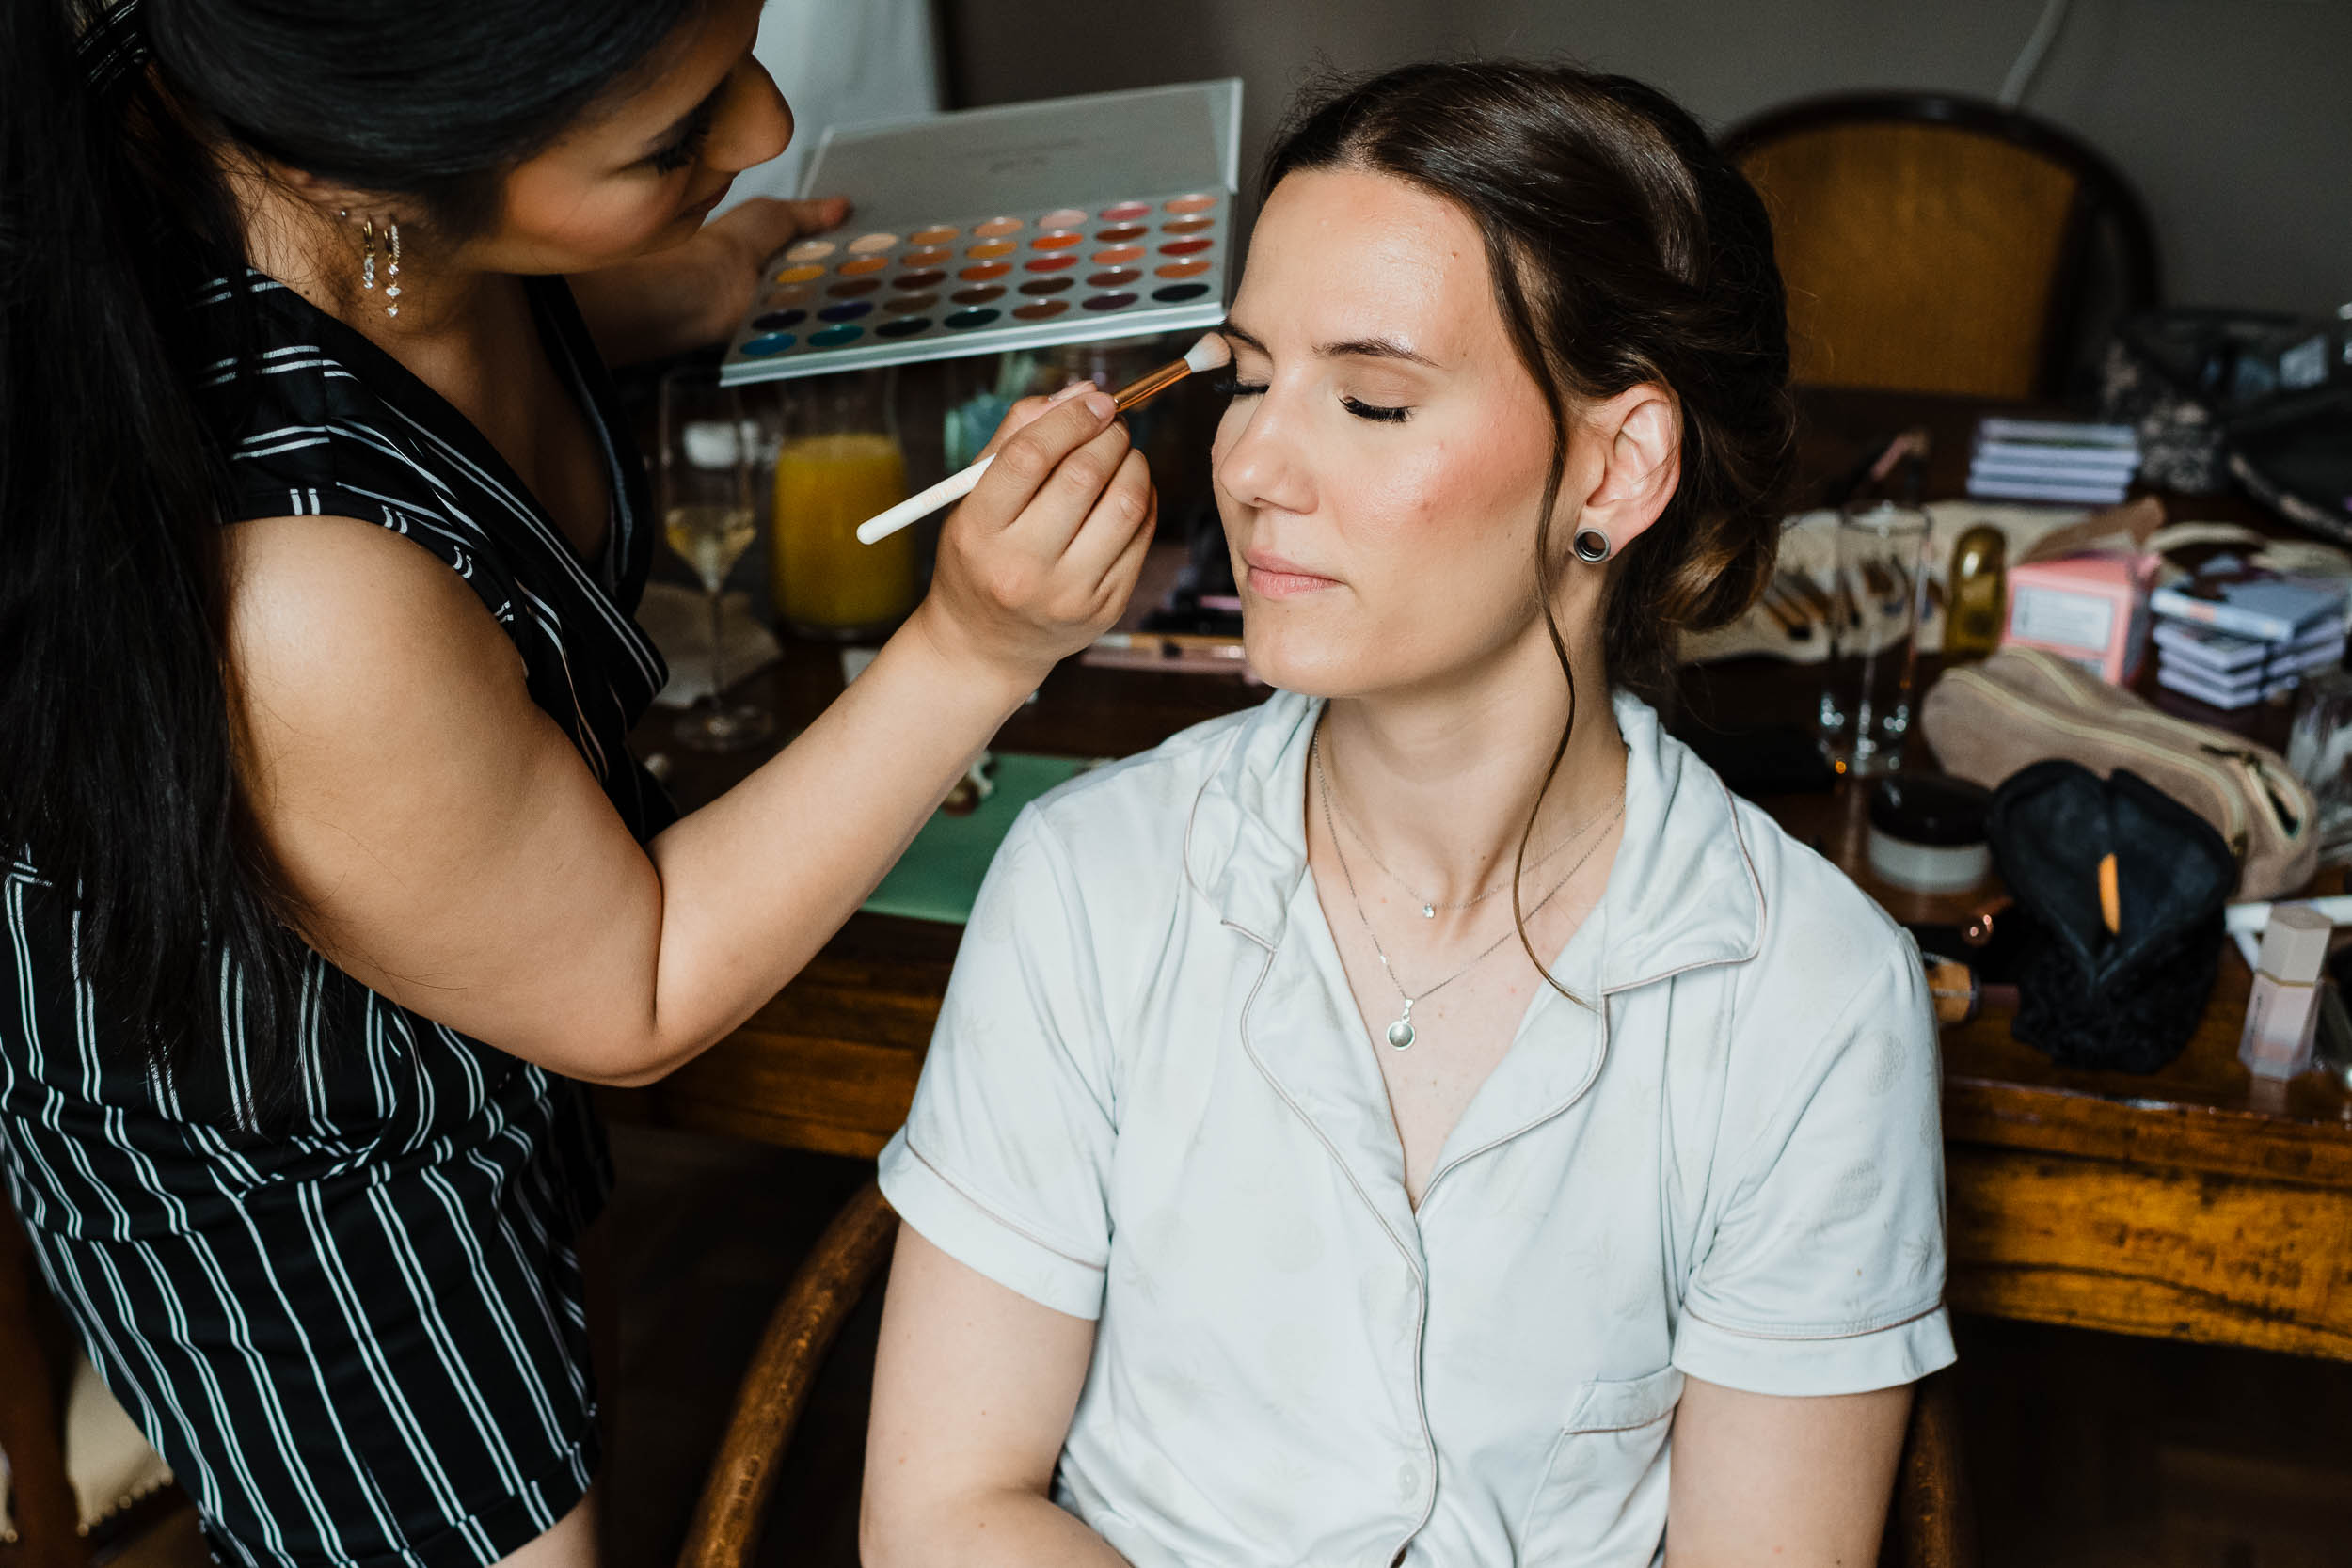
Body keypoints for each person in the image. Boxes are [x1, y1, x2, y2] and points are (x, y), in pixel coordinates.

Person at [0, 1, 1153, 1564]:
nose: (759, 129)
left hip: (485, 995)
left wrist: (691, 275)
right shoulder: (294, 597)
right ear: (389, 178)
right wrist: (974, 646)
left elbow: (455, 341)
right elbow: (636, 982)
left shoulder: (307, 162)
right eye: (670, 140)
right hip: (299, 1174)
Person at [862, 60, 1956, 1568]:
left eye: (1371, 399)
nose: (1246, 463)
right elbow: (942, 1515)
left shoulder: (1809, 999)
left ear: (1619, 464)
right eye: (1245, 376)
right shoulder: (1092, 885)